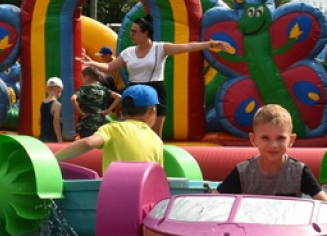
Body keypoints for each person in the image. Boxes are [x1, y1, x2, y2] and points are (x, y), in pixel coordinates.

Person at [80, 13, 230, 136]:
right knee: (133, 133)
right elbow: (108, 67)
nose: (131, 34)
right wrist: (91, 62)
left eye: (135, 31)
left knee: (154, 135)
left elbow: (186, 47)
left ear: (146, 33)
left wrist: (211, 44)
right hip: (134, 91)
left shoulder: (160, 48)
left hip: (155, 91)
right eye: (131, 31)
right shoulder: (128, 52)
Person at [54, 84, 164, 175]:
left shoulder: (113, 129)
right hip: (143, 197)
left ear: (121, 111)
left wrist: (54, 158)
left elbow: (89, 143)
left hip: (113, 194)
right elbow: (158, 175)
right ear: (152, 112)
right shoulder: (157, 140)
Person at [72, 67, 120, 138]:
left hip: (86, 124)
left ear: (87, 77)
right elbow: (119, 97)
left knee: (86, 145)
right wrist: (108, 110)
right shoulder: (103, 89)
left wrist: (80, 112)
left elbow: (73, 98)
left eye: (82, 78)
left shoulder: (83, 89)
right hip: (100, 123)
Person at [39, 77, 65, 143]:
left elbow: (39, 121)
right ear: (60, 90)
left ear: (47, 89)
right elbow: (56, 122)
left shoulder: (42, 103)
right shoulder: (57, 105)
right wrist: (59, 139)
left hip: (43, 137)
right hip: (52, 138)